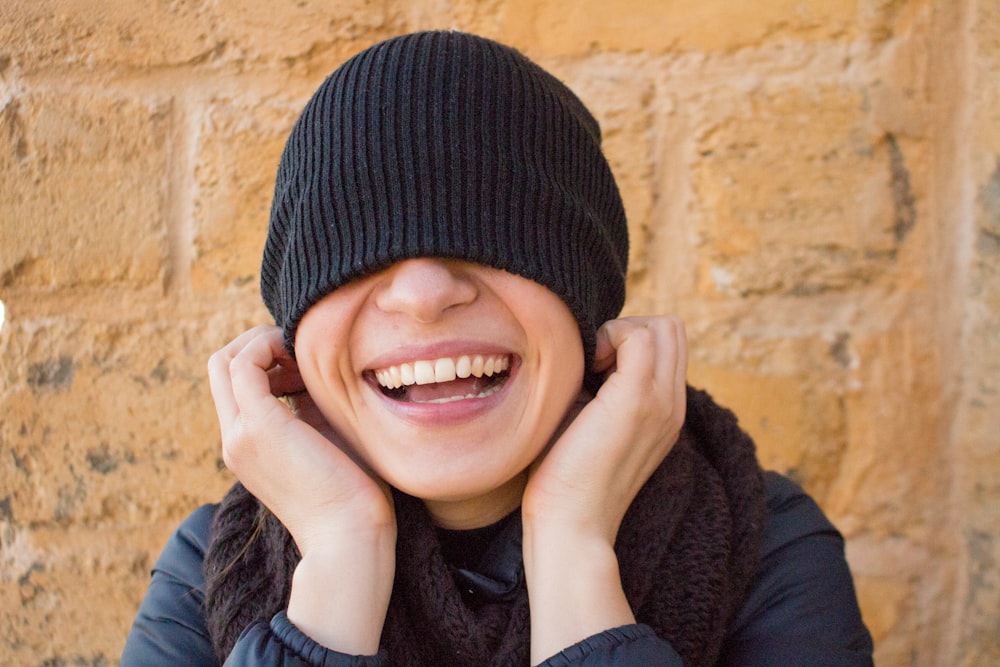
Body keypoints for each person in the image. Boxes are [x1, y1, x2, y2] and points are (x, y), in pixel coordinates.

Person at [121, 30, 874, 666]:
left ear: (585, 308)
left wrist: (575, 545)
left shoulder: (764, 544)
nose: (421, 292)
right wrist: (341, 557)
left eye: (486, 238)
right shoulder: (211, 566)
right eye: (359, 256)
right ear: (293, 341)